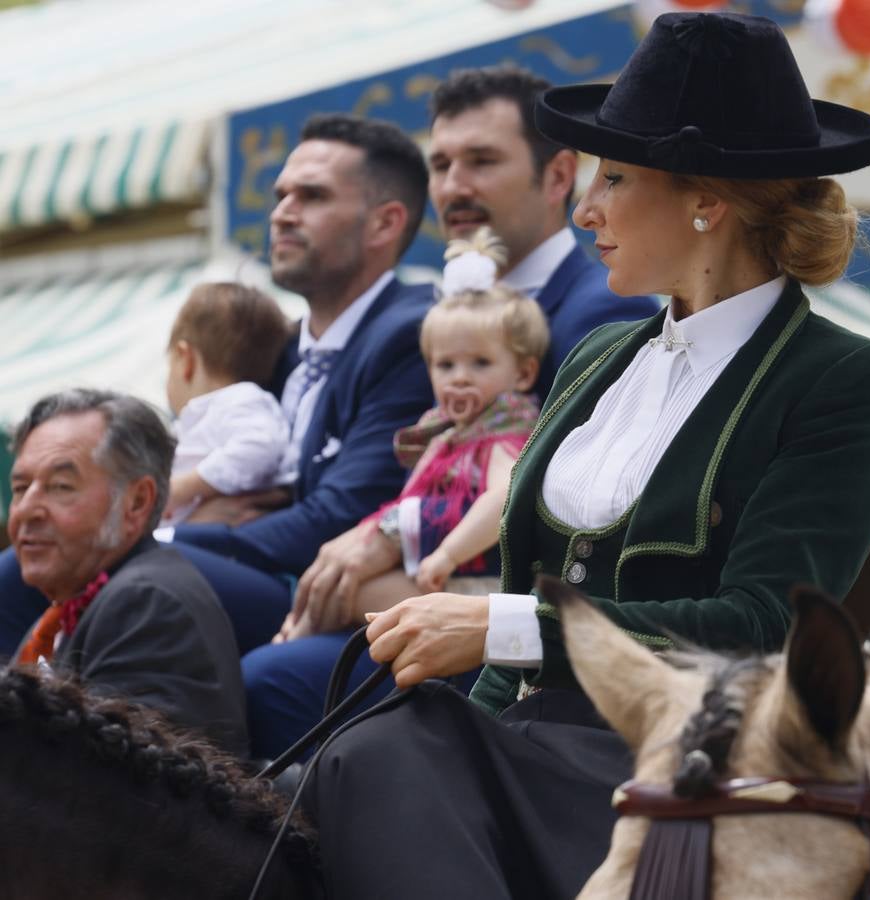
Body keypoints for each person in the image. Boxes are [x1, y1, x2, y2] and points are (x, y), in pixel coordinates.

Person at [306, 13, 870, 898]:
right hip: (533, 742)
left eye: (614, 176)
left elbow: (761, 625)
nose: (586, 207)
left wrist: (499, 626)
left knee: (376, 762)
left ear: (707, 201)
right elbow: (519, 629)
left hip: (681, 763)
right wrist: (467, 711)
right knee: (336, 771)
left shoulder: (846, 377)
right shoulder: (595, 357)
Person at [0, 113, 435, 658]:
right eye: (280, 195)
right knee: (27, 562)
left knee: (114, 563)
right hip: (237, 563)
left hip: (317, 588)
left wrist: (168, 532)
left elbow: (338, 514)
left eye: (312, 196)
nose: (281, 213)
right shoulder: (276, 345)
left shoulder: (413, 334)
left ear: (384, 223)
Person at [245, 229, 549, 757]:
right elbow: (409, 497)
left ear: (522, 373)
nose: (459, 379)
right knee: (337, 577)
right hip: (435, 573)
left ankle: (304, 631)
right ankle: (300, 627)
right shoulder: (446, 434)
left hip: (472, 584)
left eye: (479, 364)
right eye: (445, 365)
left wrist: (447, 552)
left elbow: (504, 497)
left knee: (348, 591)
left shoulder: (507, 431)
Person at [8, 389, 248, 756]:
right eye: (20, 488)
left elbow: (102, 781)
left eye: (60, 487)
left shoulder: (146, 603)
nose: (27, 509)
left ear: (136, 502)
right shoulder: (75, 608)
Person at [426, 64, 661, 399]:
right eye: (440, 166)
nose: (452, 187)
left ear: (558, 176)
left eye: (482, 161)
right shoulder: (442, 314)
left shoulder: (609, 311)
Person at [160, 281, 292, 527]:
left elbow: (261, 446)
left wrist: (181, 489)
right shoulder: (207, 415)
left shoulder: (241, 400)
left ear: (185, 359)